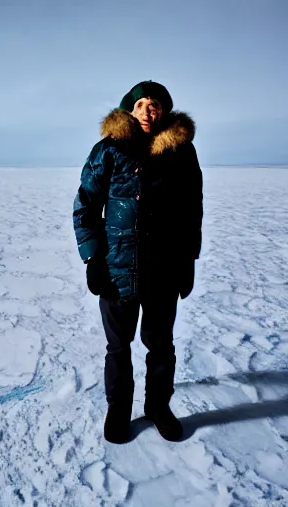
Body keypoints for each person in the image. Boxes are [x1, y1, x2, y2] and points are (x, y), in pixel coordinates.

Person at [72, 80, 203, 443]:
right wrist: (93, 257)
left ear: (165, 111)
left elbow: (192, 211)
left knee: (160, 345)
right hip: (117, 267)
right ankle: (119, 407)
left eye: (156, 104)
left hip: (164, 268)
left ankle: (158, 406)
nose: (149, 110)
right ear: (130, 109)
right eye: (142, 104)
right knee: (118, 345)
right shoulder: (109, 150)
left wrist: (188, 259)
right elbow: (85, 206)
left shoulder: (181, 152)